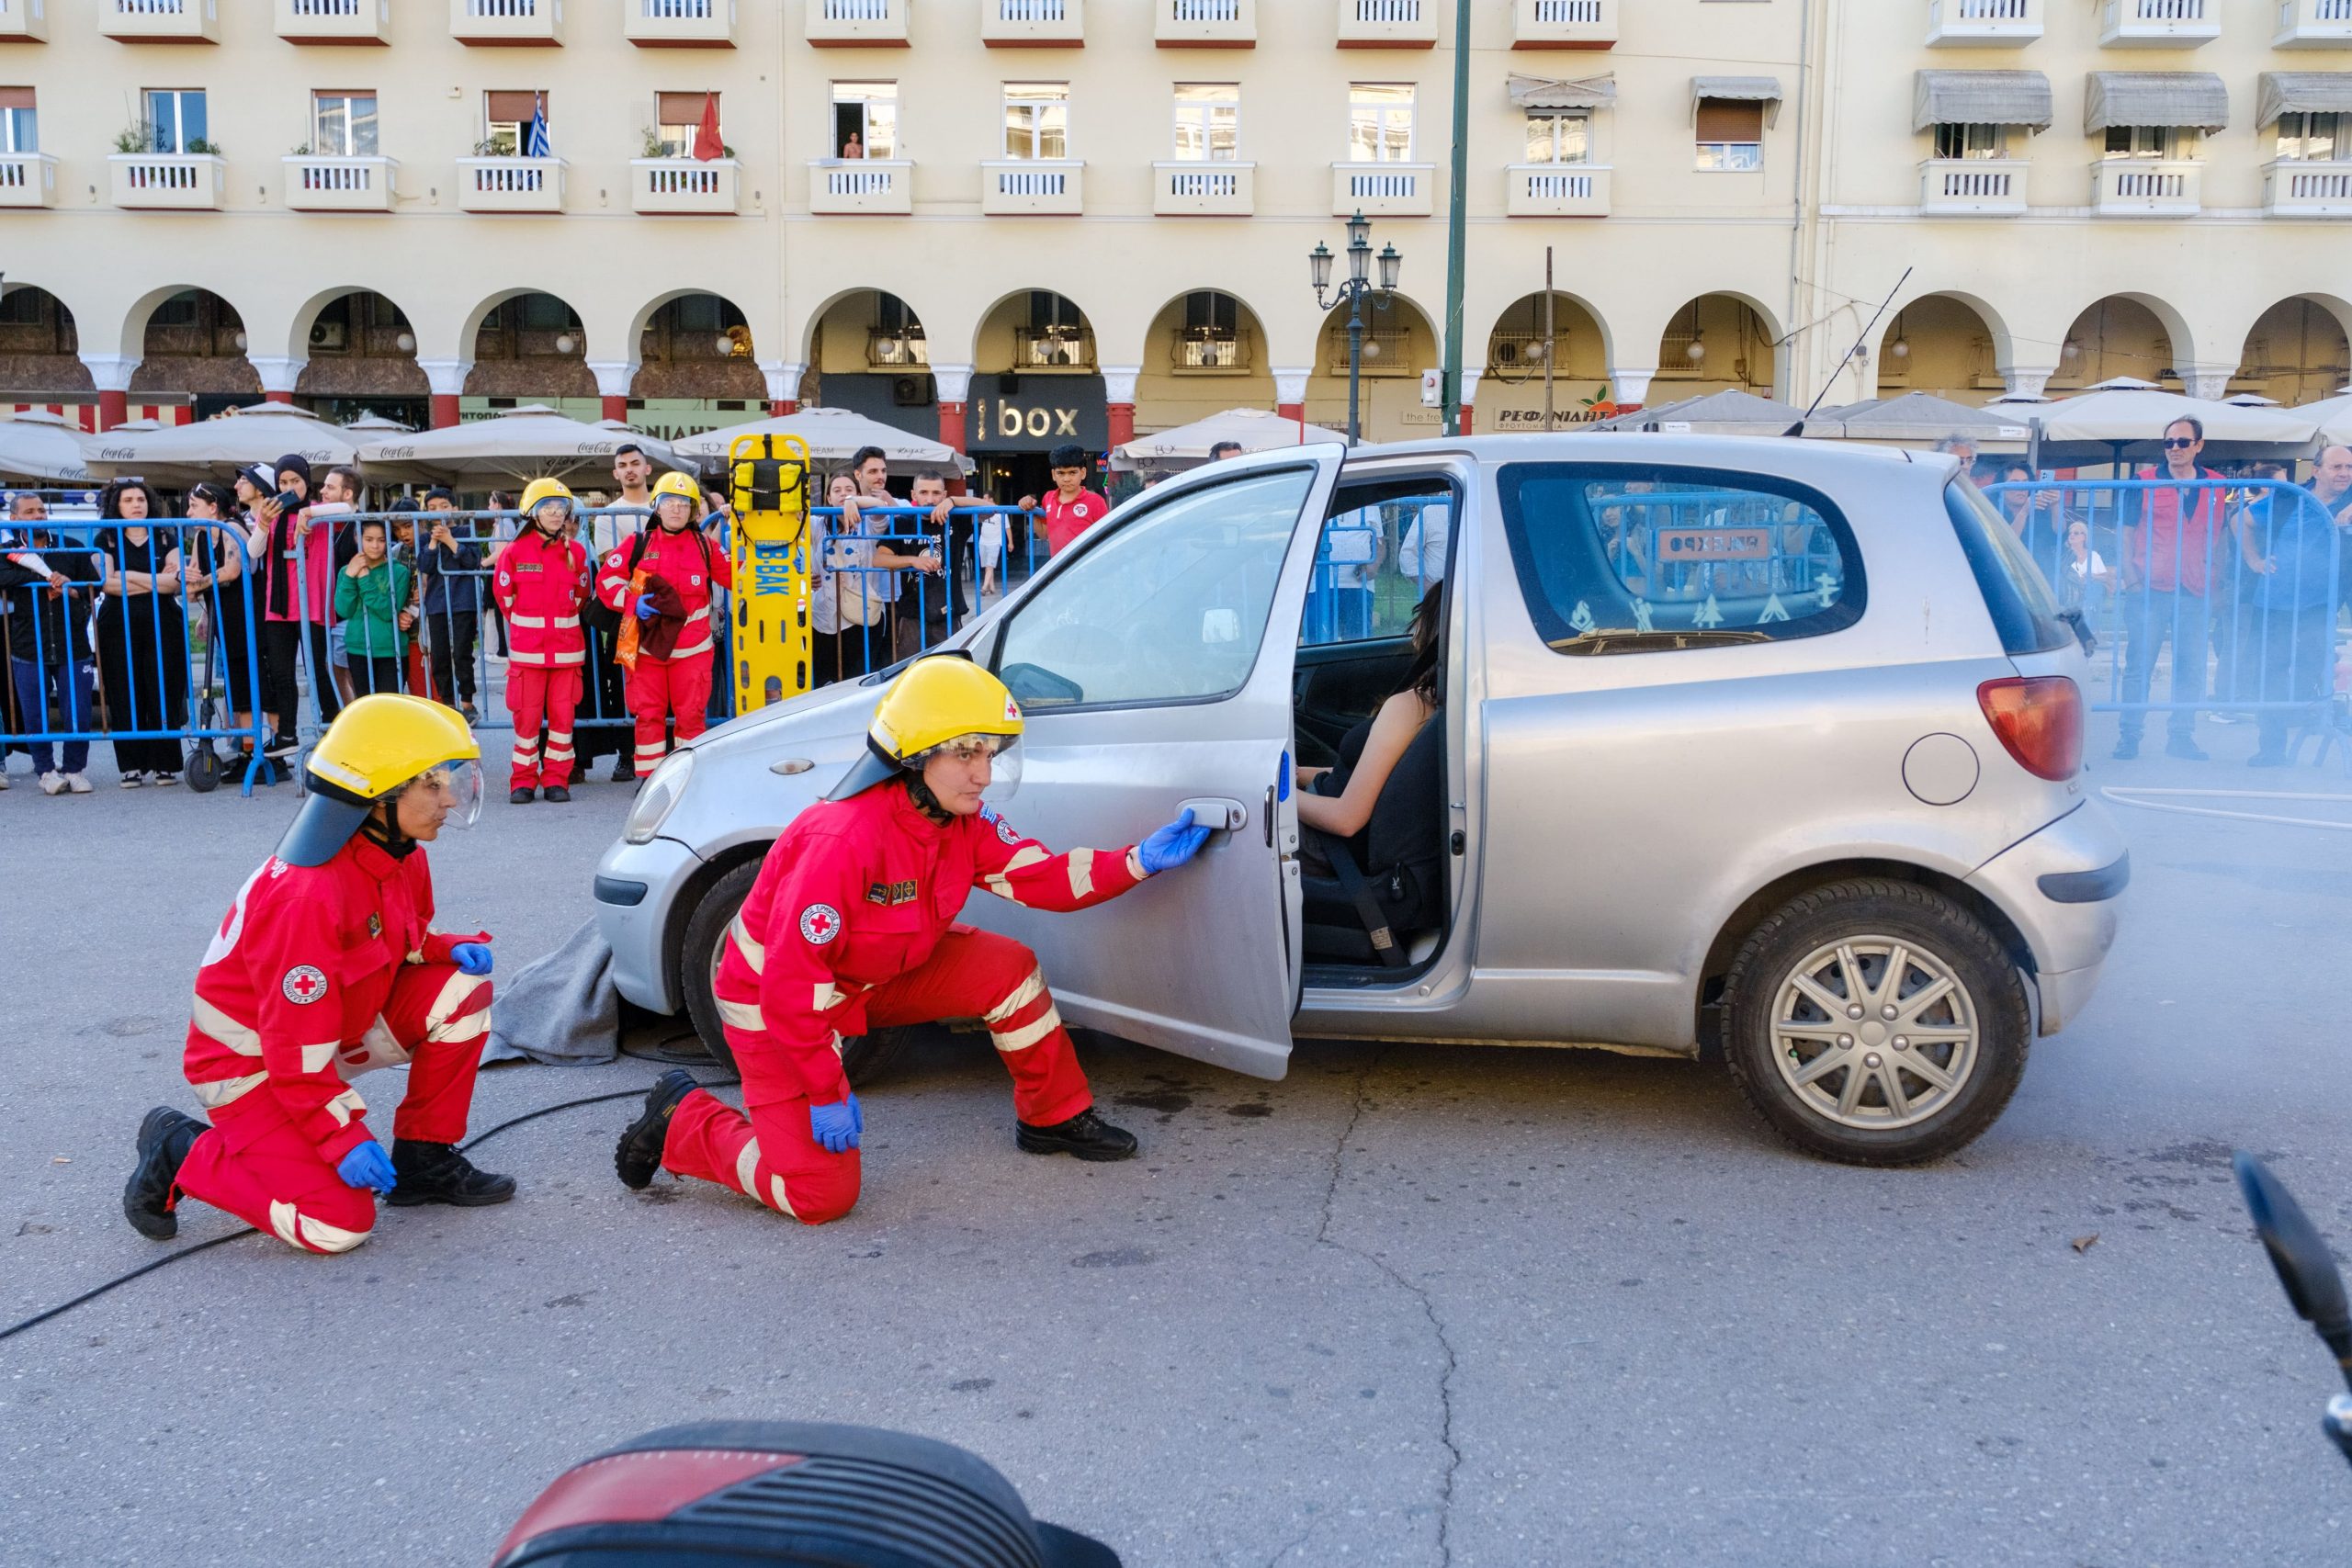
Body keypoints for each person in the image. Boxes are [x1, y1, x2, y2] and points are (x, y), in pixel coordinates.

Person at [610, 658, 1214, 1224]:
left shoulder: (961, 820)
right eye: (965, 752)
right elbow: (791, 987)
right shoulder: (843, 840)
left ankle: (1053, 1116)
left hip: (867, 979)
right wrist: (826, 1088)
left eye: (990, 751)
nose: (984, 771)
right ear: (915, 756)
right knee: (821, 1195)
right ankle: (683, 1118)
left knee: (1008, 970)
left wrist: (1139, 859)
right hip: (775, 1006)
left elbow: (1047, 878)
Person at [120, 694, 515, 1254]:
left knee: (462, 993)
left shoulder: (399, 853)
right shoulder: (306, 898)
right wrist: (341, 1138)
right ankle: (181, 1148)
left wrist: (443, 947)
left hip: (322, 1034)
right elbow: (291, 1051)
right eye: (433, 783)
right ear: (378, 796)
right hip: (253, 1066)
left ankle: (424, 1160)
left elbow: (389, 935)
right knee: (337, 1225)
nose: (450, 797)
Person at [599, 469, 733, 780]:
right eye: (670, 502)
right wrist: (633, 604)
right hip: (648, 651)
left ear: (692, 510)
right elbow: (607, 582)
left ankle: (688, 780)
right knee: (648, 717)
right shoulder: (638, 543)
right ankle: (650, 781)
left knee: (692, 718)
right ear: (657, 507)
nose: (676, 508)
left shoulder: (705, 546)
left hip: (694, 650)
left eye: (683, 504)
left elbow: (739, 575)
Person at [1296, 581, 1442, 857]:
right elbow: (1376, 779)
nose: (1413, 633)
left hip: (1332, 847)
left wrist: (1276, 799)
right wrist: (1301, 775)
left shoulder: (1409, 707)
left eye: (1420, 618)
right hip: (1332, 819)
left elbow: (1346, 819)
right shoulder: (1435, 705)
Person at [2114, 417, 2230, 761]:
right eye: (2169, 443)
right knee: (2139, 667)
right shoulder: (2142, 481)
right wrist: (2131, 578)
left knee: (2191, 667)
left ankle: (2181, 736)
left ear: (2199, 445)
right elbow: (2125, 532)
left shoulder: (2217, 484)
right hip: (2149, 588)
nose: (2175, 449)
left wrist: (2218, 581)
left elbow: (2222, 535)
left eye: (2182, 442)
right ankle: (2129, 736)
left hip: (2195, 589)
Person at [2240, 447, 2351, 767]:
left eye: (2349, 466)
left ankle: (2313, 714)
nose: (2344, 473)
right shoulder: (2291, 496)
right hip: (2273, 601)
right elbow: (2241, 520)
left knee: (2313, 664)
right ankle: (2271, 748)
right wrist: (2254, 560)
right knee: (2270, 672)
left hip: (2321, 603)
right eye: (2336, 466)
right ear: (2316, 471)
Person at [495, 477, 592, 804]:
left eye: (560, 508)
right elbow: (505, 600)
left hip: (566, 654)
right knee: (527, 721)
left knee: (563, 723)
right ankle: (522, 781)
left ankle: (556, 780)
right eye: (547, 507)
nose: (555, 513)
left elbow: (581, 596)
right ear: (532, 512)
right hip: (528, 655)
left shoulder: (576, 552)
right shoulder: (513, 552)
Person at [0, 491, 100, 793]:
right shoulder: (5, 551)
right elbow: (3, 577)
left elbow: (91, 586)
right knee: (34, 714)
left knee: (79, 711)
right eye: (29, 512)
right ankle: (45, 771)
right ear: (14, 519)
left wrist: (72, 589)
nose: (38, 516)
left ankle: (74, 769)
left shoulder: (71, 548)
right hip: (27, 647)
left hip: (74, 645)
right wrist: (45, 579)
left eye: (41, 510)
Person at [94, 478, 188, 786]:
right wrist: (153, 579)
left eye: (140, 499)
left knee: (163, 689)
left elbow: (174, 584)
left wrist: (129, 576)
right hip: (116, 626)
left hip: (164, 623)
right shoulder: (106, 538)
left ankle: (166, 764)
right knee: (123, 690)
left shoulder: (165, 537)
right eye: (128, 500)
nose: (136, 505)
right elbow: (106, 583)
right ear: (116, 506)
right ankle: (131, 766)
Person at [580, 446, 657, 783]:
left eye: (635, 464)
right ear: (615, 473)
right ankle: (628, 754)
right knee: (627, 684)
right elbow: (613, 562)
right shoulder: (608, 515)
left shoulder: (665, 503)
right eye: (622, 466)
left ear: (647, 468)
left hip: (668, 607)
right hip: (627, 612)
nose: (629, 470)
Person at [255, 452, 341, 749]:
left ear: (307, 482)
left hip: (313, 602)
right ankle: (287, 734)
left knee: (317, 668)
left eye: (296, 480)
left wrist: (310, 514)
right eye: (283, 481)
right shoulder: (271, 511)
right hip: (279, 605)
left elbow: (350, 507)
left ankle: (333, 726)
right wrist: (263, 524)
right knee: (280, 671)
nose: (289, 487)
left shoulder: (321, 510)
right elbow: (254, 552)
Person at [180, 479, 259, 766]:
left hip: (243, 613)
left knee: (244, 680)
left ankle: (251, 749)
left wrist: (197, 583)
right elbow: (193, 578)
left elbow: (231, 570)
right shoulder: (203, 536)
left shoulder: (232, 529)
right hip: (220, 613)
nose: (189, 513)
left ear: (213, 508)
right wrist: (200, 605)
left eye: (193, 506)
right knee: (232, 681)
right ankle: (241, 745)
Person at [419, 487, 484, 722]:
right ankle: (447, 704)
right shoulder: (426, 538)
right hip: (437, 603)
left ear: (455, 509)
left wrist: (449, 539)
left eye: (444, 506)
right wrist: (435, 542)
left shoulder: (466, 530)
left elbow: (473, 560)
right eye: (432, 509)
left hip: (462, 600)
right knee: (440, 655)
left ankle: (467, 703)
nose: (438, 512)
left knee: (462, 653)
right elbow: (424, 566)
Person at [333, 517, 416, 698]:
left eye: (381, 540)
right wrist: (349, 576)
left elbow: (388, 611)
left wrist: (364, 579)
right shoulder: (347, 571)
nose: (375, 546)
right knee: (366, 706)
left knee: (389, 707)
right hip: (358, 647)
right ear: (358, 538)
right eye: (369, 539)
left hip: (390, 649)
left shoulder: (399, 572)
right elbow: (343, 609)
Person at [1019, 443, 1108, 558]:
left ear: (1083, 473)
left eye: (1072, 472)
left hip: (1086, 567)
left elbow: (1106, 537)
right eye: (1061, 473)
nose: (1066, 479)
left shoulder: (1096, 501)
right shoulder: (1048, 498)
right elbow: (1044, 534)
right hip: (1060, 569)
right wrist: (1031, 510)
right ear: (1053, 475)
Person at [2056, 516, 2115, 620]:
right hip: (2068, 592)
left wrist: (2092, 576)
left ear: (2084, 537)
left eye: (2076, 533)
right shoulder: (2063, 555)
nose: (2072, 535)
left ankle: (2089, 621)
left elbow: (2105, 577)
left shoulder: (2094, 555)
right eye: (2070, 533)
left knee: (2096, 588)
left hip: (2090, 591)